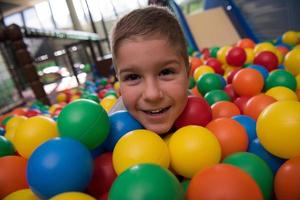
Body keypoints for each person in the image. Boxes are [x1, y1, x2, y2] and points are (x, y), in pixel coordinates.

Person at [109, 5, 190, 135]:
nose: (152, 95)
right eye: (133, 77)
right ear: (119, 84)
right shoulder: (111, 130)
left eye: (166, 72)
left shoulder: (202, 114)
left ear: (188, 74)